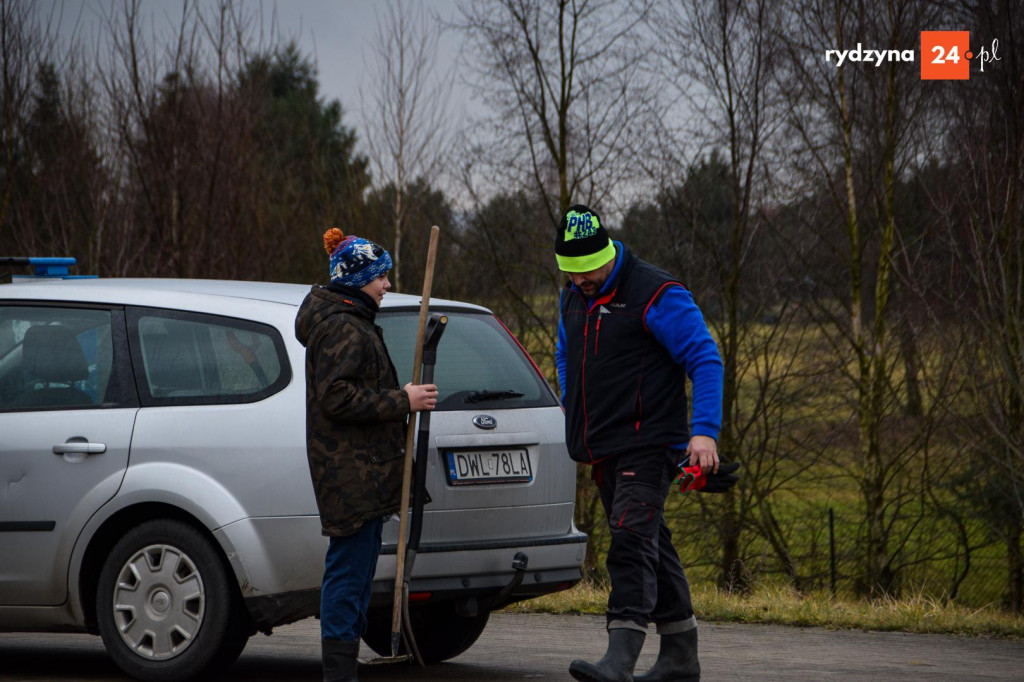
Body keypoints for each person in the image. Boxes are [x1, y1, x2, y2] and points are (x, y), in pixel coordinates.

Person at [554, 205, 736, 682]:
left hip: (649, 439)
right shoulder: (571, 296)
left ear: (608, 251)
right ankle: (680, 655)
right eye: (569, 272)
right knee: (654, 543)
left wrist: (704, 434)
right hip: (602, 445)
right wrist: (572, 408)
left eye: (587, 269)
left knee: (631, 538)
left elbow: (705, 358)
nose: (580, 281)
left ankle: (621, 655)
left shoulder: (655, 292)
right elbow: (566, 352)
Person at [295, 228, 438, 682]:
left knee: (356, 574)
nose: (388, 285)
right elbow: (336, 397)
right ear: (357, 279)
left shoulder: (352, 320)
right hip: (348, 471)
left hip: (363, 468)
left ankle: (344, 667)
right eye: (381, 277)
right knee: (347, 572)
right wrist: (403, 401)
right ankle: (338, 674)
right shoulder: (341, 326)